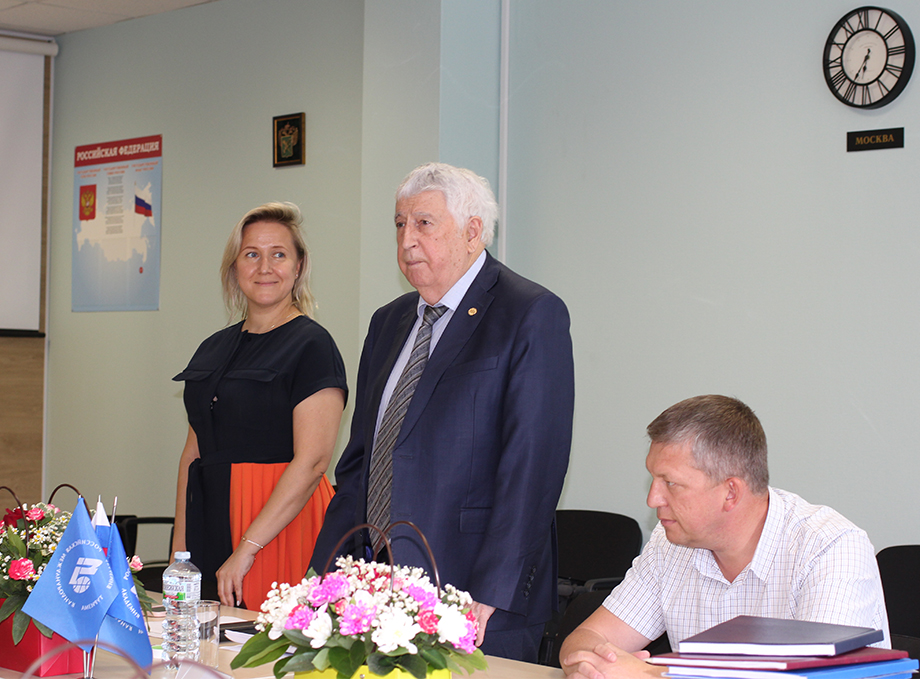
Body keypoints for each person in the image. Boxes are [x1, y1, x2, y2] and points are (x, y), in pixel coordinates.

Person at [309, 162, 574, 662]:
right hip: (375, 586)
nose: (407, 239)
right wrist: (324, 574)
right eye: (399, 224)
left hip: (476, 594)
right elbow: (361, 462)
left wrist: (491, 591)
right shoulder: (387, 322)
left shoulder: (528, 313)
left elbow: (533, 467)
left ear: (473, 232)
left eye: (424, 223)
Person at [560, 395, 890, 679]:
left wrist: (652, 674)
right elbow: (586, 639)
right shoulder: (670, 543)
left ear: (730, 492)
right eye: (653, 480)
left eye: (671, 483)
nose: (653, 499)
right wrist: (592, 666)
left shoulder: (830, 547)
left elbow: (814, 677)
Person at [172, 202, 347, 609]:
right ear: (234, 268)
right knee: (202, 637)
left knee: (261, 641)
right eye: (251, 254)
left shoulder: (313, 345)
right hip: (210, 518)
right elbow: (193, 453)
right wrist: (180, 551)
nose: (264, 267)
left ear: (298, 267)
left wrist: (248, 546)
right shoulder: (212, 347)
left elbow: (313, 462)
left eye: (278, 254)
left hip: (277, 527)